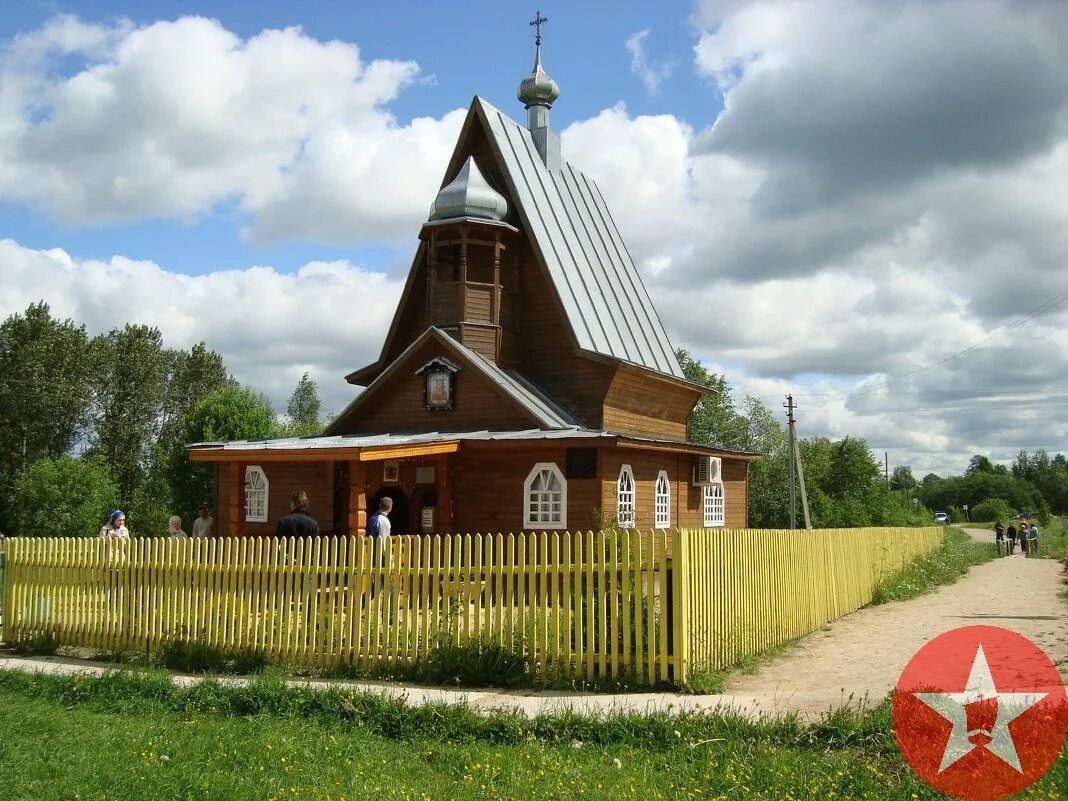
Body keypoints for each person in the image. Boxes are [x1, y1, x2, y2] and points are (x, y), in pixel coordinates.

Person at [366, 497, 393, 599]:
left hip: (373, 555)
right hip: (381, 557)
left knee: (377, 585)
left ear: (379, 505)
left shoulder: (372, 518)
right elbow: (383, 541)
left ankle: (361, 607)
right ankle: (390, 614)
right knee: (390, 587)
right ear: (390, 507)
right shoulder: (383, 521)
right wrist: (388, 557)